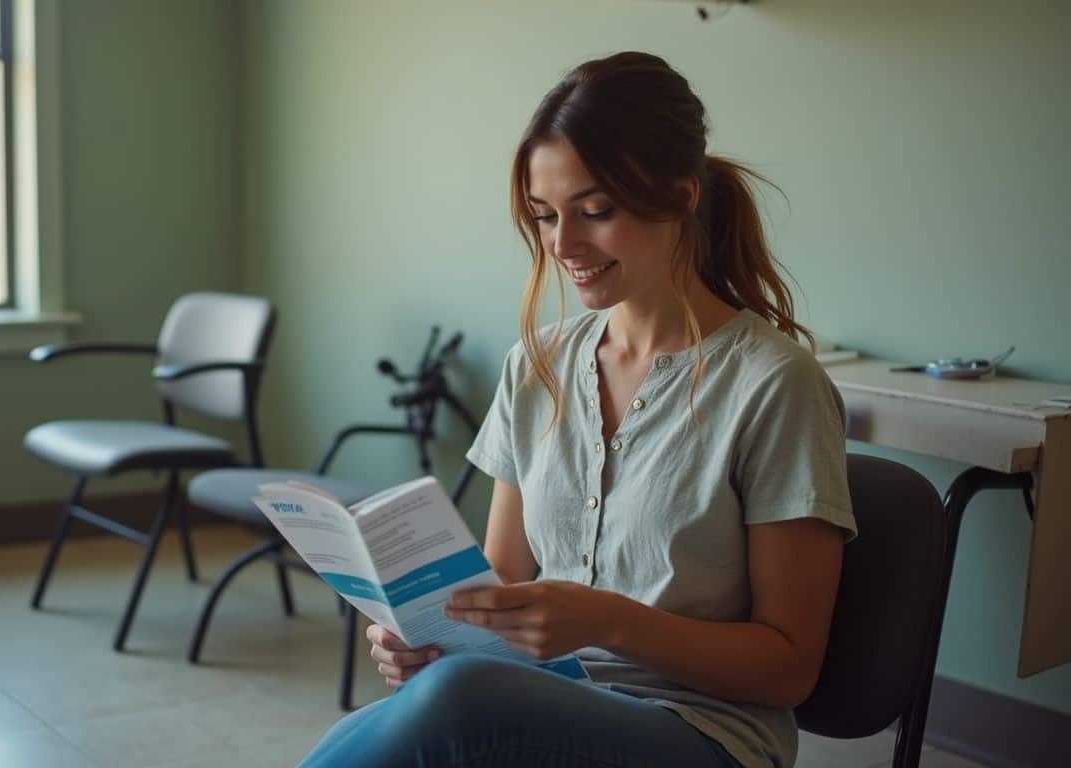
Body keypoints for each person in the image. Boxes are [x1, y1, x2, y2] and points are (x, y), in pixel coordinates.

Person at [298, 51, 856, 768]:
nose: (563, 245)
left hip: (701, 733)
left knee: (459, 704)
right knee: (421, 702)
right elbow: (497, 586)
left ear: (682, 196)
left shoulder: (775, 385)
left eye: (595, 212)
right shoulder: (537, 365)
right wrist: (430, 637)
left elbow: (788, 668)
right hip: (537, 700)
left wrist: (609, 622)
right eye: (543, 216)